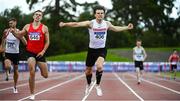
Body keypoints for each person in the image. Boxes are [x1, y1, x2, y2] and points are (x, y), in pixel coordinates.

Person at [59, 6, 133, 96]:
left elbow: (116, 29)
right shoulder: (90, 23)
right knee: (88, 71)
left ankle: (97, 85)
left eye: (102, 13)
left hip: (102, 49)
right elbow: (76, 24)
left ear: (104, 14)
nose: (100, 15)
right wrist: (65, 24)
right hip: (91, 50)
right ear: (95, 14)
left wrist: (127, 27)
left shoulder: (107, 24)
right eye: (98, 13)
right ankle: (88, 84)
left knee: (99, 66)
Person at [10, 10, 50, 100]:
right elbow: (20, 35)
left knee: (45, 75)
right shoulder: (28, 26)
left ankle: (41, 67)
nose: (38, 16)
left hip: (40, 53)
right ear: (33, 16)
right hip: (30, 52)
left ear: (41, 17)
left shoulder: (44, 28)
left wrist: (43, 51)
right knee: (31, 71)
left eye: (40, 15)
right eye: (36, 14)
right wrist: (14, 32)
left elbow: (47, 42)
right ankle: (32, 94)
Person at [1, 18, 27, 93]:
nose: (10, 25)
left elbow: (25, 43)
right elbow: (3, 40)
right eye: (9, 23)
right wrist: (3, 49)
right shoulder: (6, 31)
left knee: (16, 70)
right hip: (8, 53)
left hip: (16, 54)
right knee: (7, 66)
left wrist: (17, 35)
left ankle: (15, 86)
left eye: (12, 23)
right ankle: (9, 69)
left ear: (15, 23)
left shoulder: (19, 31)